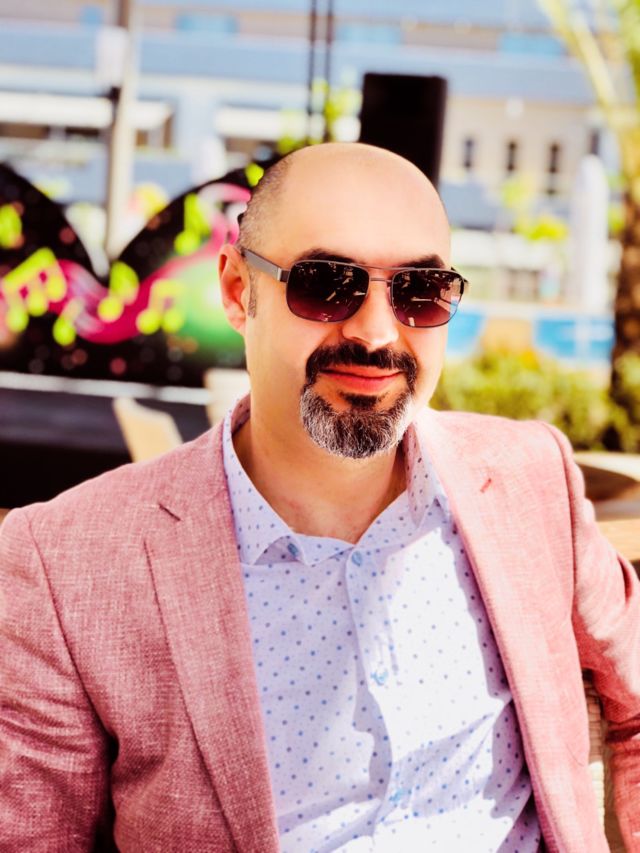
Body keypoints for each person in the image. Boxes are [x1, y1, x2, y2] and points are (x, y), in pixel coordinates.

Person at [0, 142, 638, 853]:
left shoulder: (531, 479)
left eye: (418, 290)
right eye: (327, 285)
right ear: (238, 290)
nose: (375, 331)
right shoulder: (61, 565)